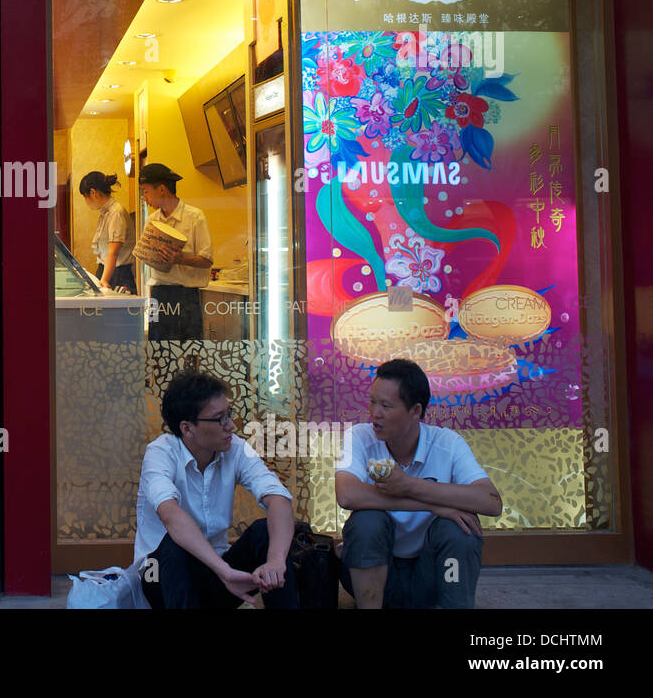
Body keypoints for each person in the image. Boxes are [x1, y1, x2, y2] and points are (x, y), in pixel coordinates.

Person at [334, 358, 502, 609]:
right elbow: (346, 494)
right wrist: (433, 507)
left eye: (386, 406)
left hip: (432, 577)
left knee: (461, 530)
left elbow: (491, 502)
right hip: (378, 574)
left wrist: (411, 485)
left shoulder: (448, 443)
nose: (375, 413)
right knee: (366, 522)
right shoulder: (358, 436)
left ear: (415, 411)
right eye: (372, 402)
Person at [135, 371, 299, 609]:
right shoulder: (160, 453)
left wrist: (275, 562)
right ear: (187, 428)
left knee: (265, 531)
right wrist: (225, 572)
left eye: (229, 415)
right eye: (220, 418)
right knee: (173, 545)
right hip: (159, 576)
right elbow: (170, 514)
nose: (231, 425)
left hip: (218, 574)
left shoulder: (236, 449)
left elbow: (279, 498)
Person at [137, 162, 213, 340]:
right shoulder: (152, 220)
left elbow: (207, 259)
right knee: (159, 355)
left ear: (162, 189)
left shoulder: (194, 217)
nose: (144, 197)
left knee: (187, 355)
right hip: (158, 293)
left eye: (146, 191)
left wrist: (180, 259)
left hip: (186, 296)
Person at [78, 170, 136, 293]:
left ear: (93, 193)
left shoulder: (116, 213)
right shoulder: (105, 213)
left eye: (85, 197)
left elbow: (113, 252)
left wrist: (104, 280)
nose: (86, 201)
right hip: (108, 270)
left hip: (118, 275)